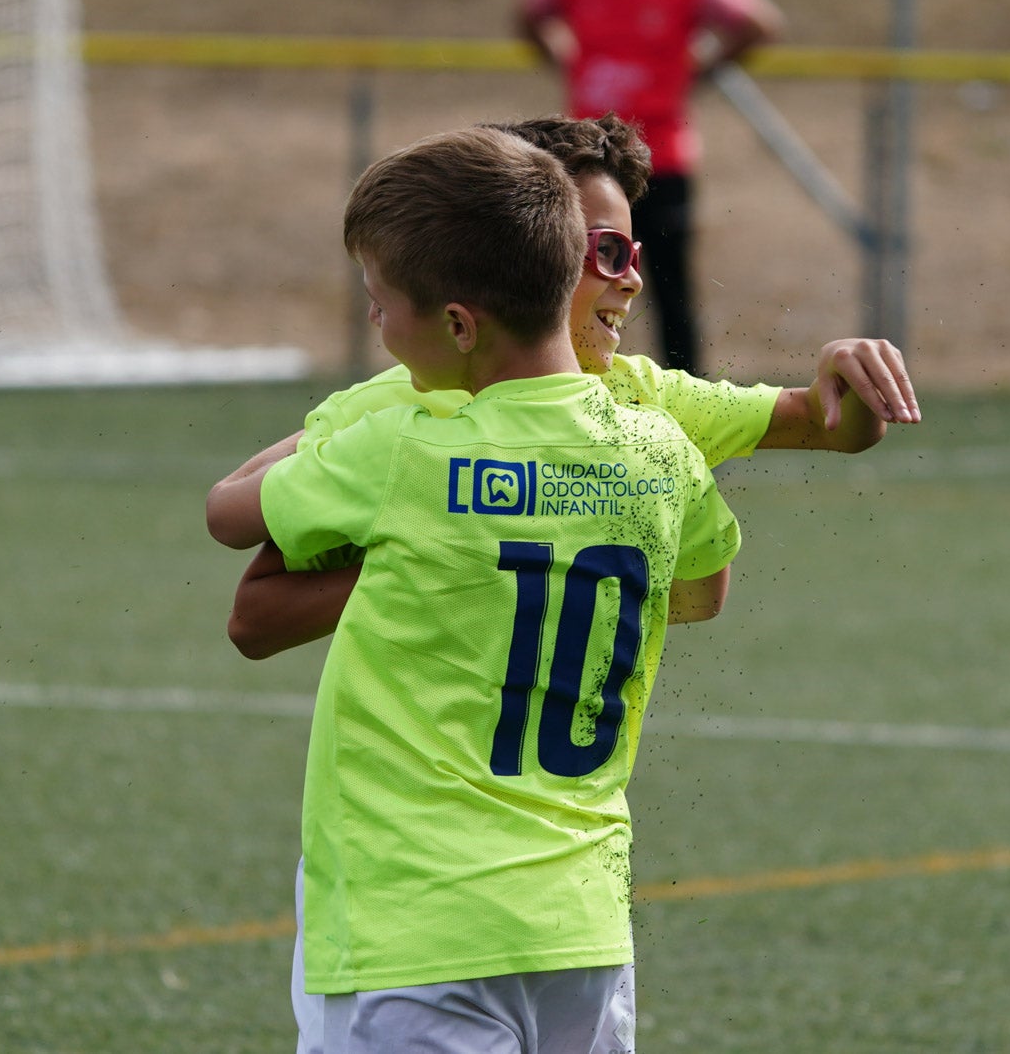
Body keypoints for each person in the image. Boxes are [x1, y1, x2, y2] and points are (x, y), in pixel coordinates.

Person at [206, 125, 741, 1052]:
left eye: (381, 305)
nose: (377, 325)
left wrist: (369, 425)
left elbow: (229, 516)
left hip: (413, 933)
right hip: (579, 932)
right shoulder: (662, 450)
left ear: (457, 324)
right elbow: (698, 593)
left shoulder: (406, 444)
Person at [214, 113, 918, 661]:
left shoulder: (649, 407)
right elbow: (253, 619)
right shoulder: (395, 415)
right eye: (604, 251)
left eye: (633, 254)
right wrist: (456, 566)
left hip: (564, 824)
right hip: (393, 828)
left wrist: (846, 368)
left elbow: (831, 430)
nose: (632, 279)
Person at [517, 0, 786, 376]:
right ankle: (562, 376)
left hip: (659, 158)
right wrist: (568, 61)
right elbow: (529, 14)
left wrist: (697, 70)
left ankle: (685, 388)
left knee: (665, 287)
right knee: (567, 279)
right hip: (590, 160)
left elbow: (758, 23)